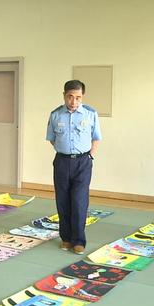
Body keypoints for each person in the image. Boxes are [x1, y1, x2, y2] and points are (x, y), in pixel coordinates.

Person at [46, 80, 102, 255]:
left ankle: (79, 240)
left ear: (82, 97)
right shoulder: (55, 114)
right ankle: (67, 238)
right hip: (62, 161)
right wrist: (64, 151)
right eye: (70, 97)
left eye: (78, 98)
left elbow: (96, 138)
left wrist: (90, 155)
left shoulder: (90, 114)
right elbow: (52, 138)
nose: (74, 101)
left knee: (79, 201)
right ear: (64, 95)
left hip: (82, 162)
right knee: (62, 201)